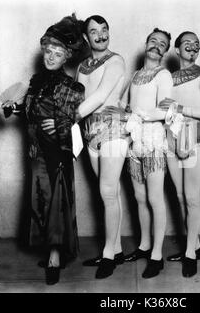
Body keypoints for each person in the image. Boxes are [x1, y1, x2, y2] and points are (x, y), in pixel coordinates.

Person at [1, 14, 87, 285]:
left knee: (56, 202)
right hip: (36, 151)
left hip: (57, 152)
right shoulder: (36, 82)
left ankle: (54, 256)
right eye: (48, 51)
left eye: (57, 53)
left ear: (66, 58)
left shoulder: (71, 87)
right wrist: (14, 108)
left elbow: (74, 120)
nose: (51, 56)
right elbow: (32, 114)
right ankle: (49, 249)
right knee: (40, 201)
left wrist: (60, 122)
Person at [157, 31, 200, 277]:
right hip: (171, 136)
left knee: (192, 197)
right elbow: (160, 106)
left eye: (196, 44)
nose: (192, 48)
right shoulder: (167, 77)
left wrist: (181, 108)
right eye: (187, 44)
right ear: (177, 49)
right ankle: (194, 245)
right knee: (180, 196)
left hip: (194, 135)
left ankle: (190, 255)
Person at [75, 15, 129, 279]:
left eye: (104, 30)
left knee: (107, 191)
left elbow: (99, 95)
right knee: (107, 191)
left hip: (114, 128)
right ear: (86, 38)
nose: (100, 35)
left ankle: (108, 255)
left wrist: (71, 116)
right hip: (90, 131)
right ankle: (116, 248)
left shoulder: (116, 60)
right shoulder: (82, 66)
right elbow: (78, 94)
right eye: (94, 32)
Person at [120, 28, 173, 279]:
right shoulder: (136, 74)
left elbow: (165, 112)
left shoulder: (163, 75)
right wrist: (122, 113)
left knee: (154, 198)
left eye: (162, 44)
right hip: (134, 141)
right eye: (153, 40)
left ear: (165, 51)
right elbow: (126, 105)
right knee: (139, 197)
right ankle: (144, 246)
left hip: (152, 141)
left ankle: (157, 254)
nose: (157, 45)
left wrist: (139, 116)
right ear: (146, 43)